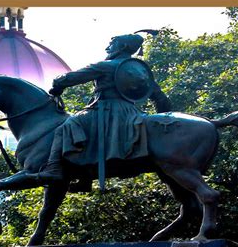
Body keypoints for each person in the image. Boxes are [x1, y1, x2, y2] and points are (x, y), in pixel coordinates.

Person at [26, 34, 171, 184]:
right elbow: (161, 99)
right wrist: (163, 120)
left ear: (122, 47)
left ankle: (53, 169)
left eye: (112, 44)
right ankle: (84, 178)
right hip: (131, 113)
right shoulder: (141, 71)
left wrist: (57, 85)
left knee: (67, 127)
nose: (107, 48)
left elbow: (69, 78)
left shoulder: (105, 66)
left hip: (105, 110)